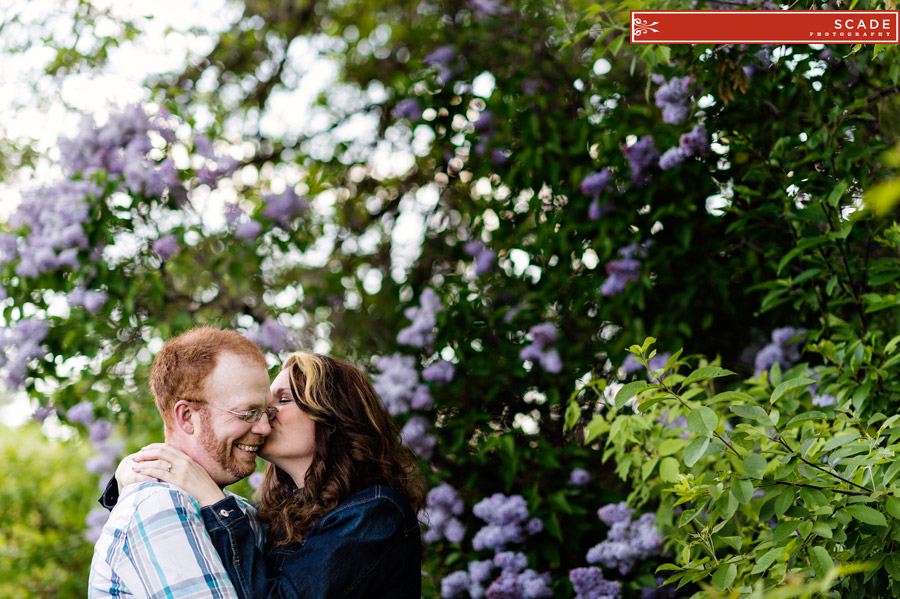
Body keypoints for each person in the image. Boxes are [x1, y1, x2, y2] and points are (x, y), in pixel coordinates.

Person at [122, 351, 425, 599]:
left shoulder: (375, 513)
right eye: (262, 407)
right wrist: (130, 475)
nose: (266, 416)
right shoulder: (283, 516)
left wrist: (214, 502)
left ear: (332, 414)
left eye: (282, 400)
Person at [88, 327, 275, 599]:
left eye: (266, 412)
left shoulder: (236, 511)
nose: (265, 428)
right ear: (187, 416)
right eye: (248, 413)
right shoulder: (159, 505)